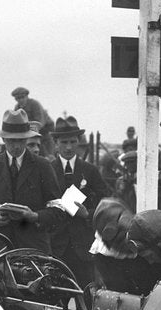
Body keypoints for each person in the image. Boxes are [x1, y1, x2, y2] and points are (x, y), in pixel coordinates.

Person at [0, 109, 62, 253]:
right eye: (12, 140)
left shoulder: (42, 166)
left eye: (21, 140)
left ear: (27, 138)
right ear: (3, 139)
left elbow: (57, 210)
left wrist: (35, 216)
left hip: (34, 251)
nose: (17, 146)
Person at [48, 116, 110, 287]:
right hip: (55, 246)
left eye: (73, 142)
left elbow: (106, 202)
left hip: (82, 247)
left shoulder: (90, 171)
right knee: (55, 294)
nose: (68, 147)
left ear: (78, 142)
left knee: (84, 292)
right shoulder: (47, 170)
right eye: (64, 142)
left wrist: (88, 213)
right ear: (55, 143)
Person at [11, 87, 54, 157]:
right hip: (29, 131)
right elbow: (16, 122)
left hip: (45, 129)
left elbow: (40, 122)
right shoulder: (17, 108)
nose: (20, 100)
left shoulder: (35, 104)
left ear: (27, 96)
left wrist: (30, 132)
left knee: (46, 151)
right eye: (18, 98)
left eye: (22, 97)